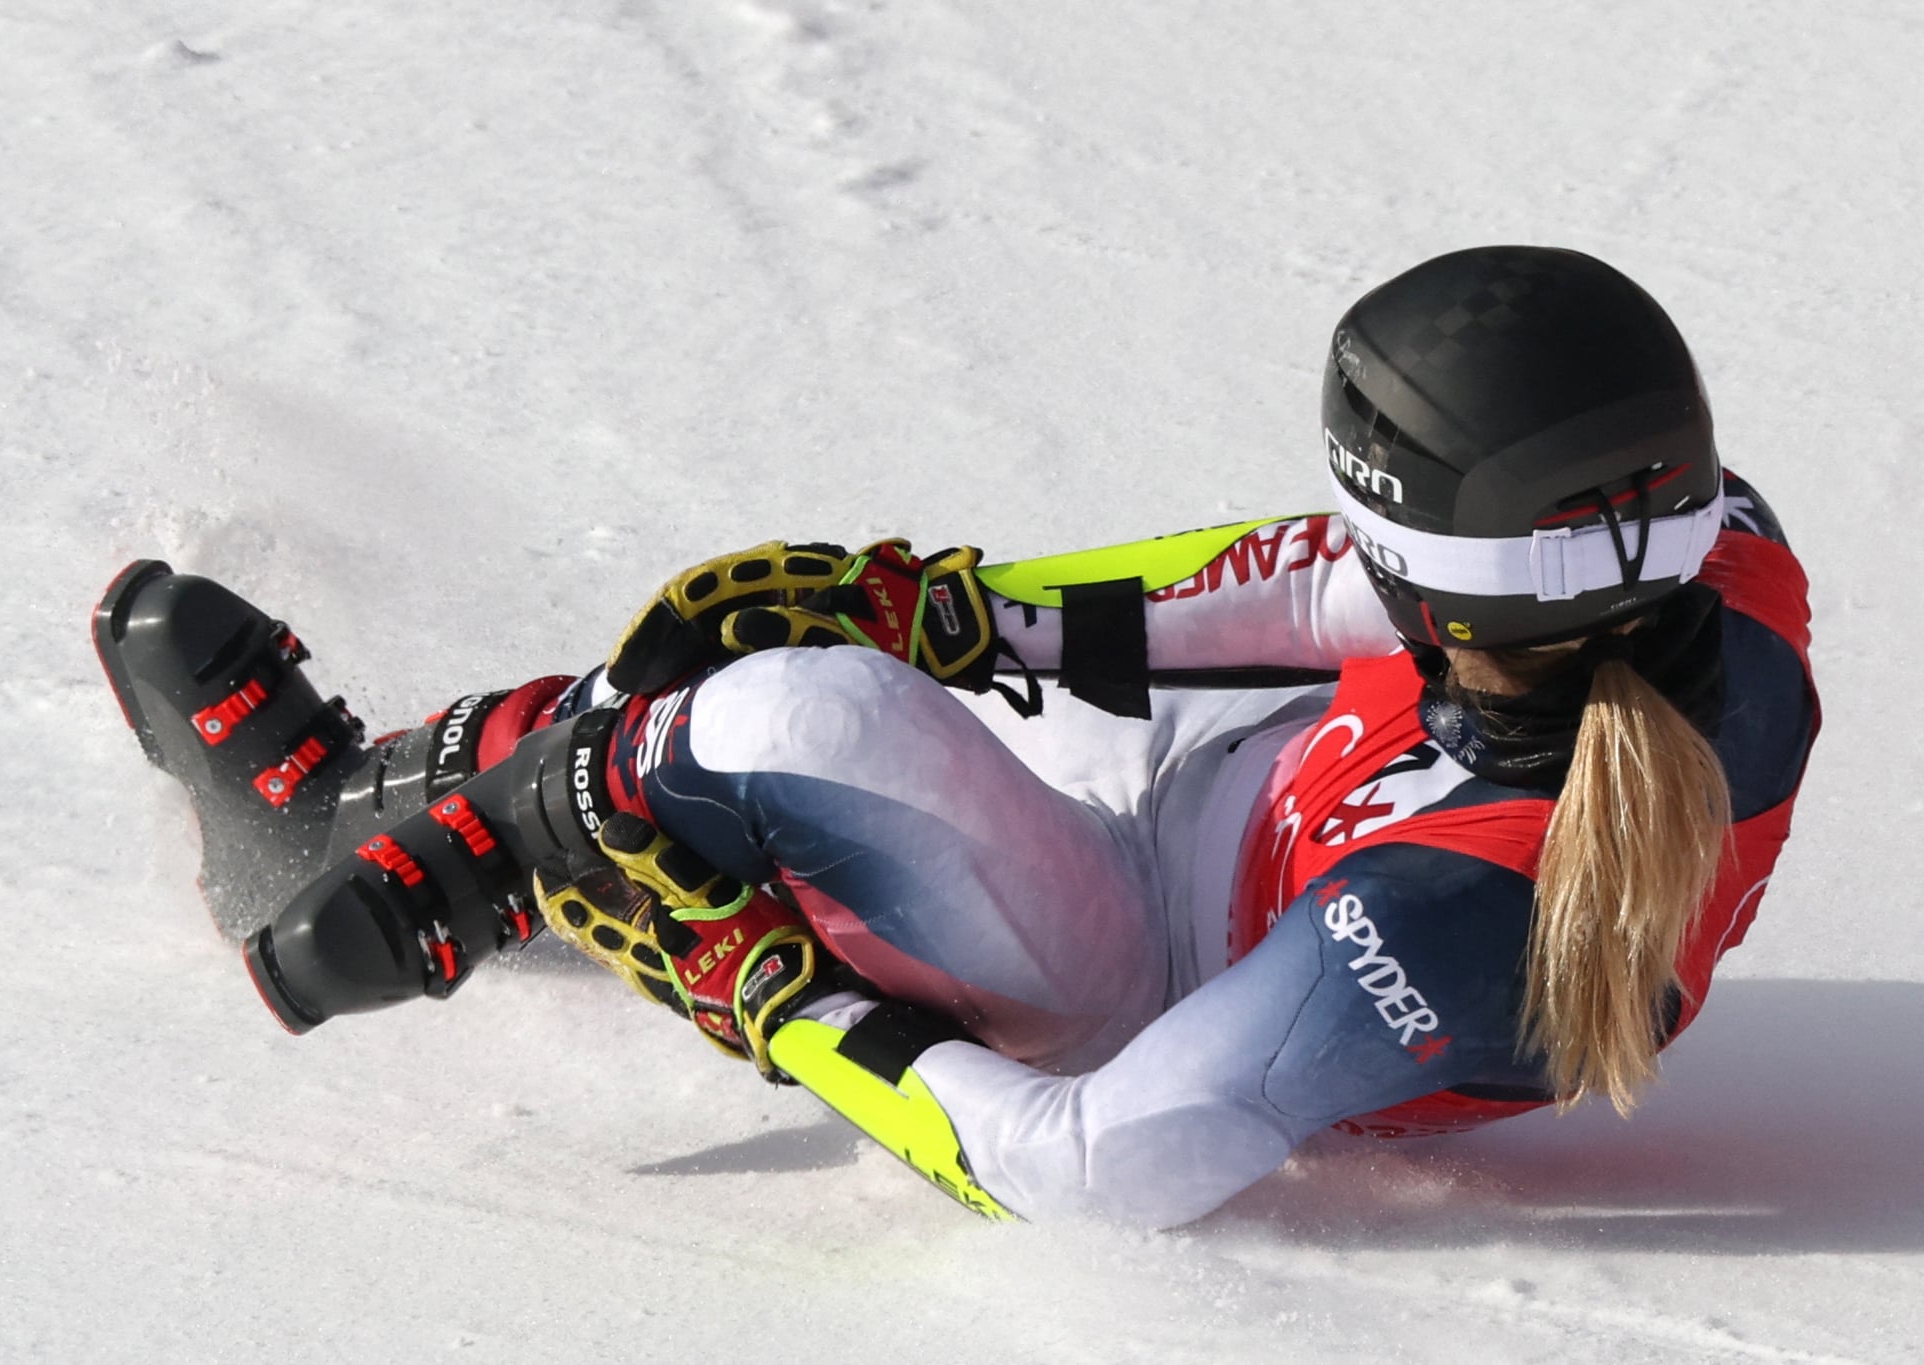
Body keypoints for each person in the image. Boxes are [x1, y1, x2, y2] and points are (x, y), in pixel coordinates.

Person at [94, 245, 1818, 1228]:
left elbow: (1094, 1164)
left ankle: (362, 835)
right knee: (795, 700)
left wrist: (781, 1000)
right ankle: (540, 817)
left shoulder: (1438, 931)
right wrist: (963, 611)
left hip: (1139, 980)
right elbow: (1317, 599)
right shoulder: (1695, 553)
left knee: (789, 720)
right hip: (1211, 825)